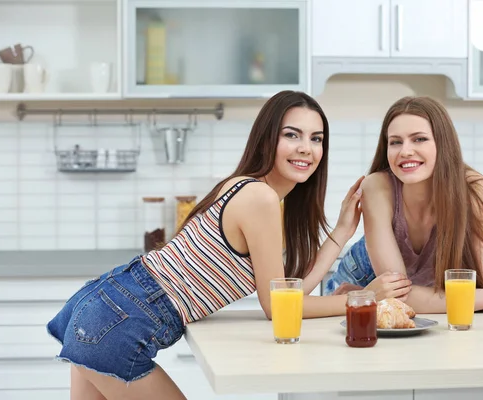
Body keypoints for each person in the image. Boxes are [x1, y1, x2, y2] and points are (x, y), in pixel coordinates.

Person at [46, 90, 368, 400]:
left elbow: (287, 296)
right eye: (292, 135)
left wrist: (341, 230)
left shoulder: (244, 187)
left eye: (316, 138)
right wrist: (366, 300)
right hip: (117, 321)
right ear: (267, 138)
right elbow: (277, 307)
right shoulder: (260, 198)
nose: (306, 148)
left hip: (104, 306)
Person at [325, 96, 483, 314]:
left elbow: (473, 286)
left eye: (419, 139)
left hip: (431, 301)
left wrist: (475, 297)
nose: (405, 151)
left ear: (443, 142)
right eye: (395, 142)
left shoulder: (475, 189)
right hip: (359, 286)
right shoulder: (377, 187)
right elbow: (396, 295)